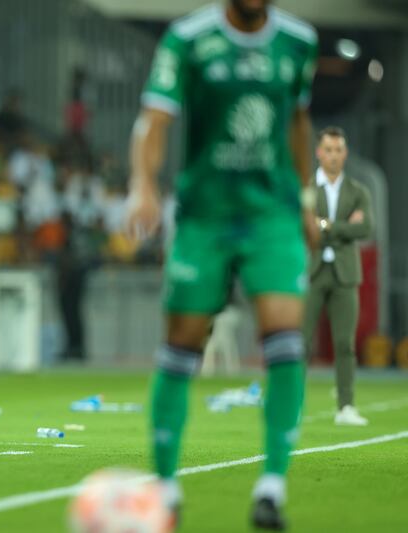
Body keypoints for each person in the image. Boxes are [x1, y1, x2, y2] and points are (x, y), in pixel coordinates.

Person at [125, 0, 319, 529]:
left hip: (271, 216)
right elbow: (155, 119)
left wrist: (304, 198)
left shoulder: (299, 42)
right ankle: (165, 486)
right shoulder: (187, 39)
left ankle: (272, 487)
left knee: (284, 335)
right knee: (182, 343)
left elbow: (298, 121)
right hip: (204, 218)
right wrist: (143, 184)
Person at [302, 127, 373, 426]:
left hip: (345, 274)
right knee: (299, 344)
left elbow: (365, 229)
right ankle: (291, 407)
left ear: (345, 153)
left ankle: (346, 407)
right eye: (328, 149)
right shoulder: (305, 190)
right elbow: (300, 226)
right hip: (312, 272)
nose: (333, 156)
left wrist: (327, 226)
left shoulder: (358, 192)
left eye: (338, 150)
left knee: (345, 344)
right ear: (319, 152)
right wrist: (342, 226)